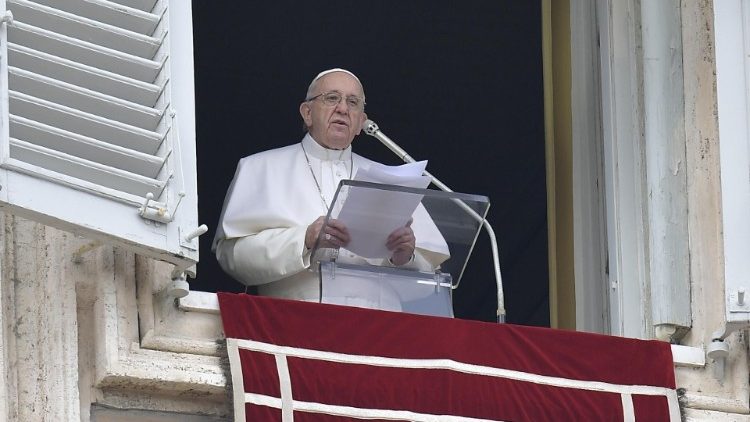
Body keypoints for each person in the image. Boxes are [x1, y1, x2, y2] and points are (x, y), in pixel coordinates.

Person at [213, 68, 448, 308]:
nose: (343, 109)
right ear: (307, 113)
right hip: (296, 321)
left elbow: (431, 274)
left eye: (353, 102)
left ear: (360, 122)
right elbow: (232, 256)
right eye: (332, 98)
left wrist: (405, 257)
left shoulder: (393, 180)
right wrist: (304, 239)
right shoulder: (260, 167)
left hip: (383, 329)